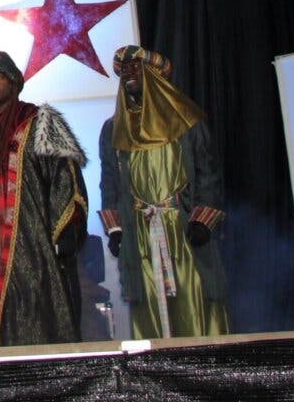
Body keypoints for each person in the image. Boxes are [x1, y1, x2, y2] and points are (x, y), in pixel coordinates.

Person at [0, 51, 88, 347]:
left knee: (41, 309)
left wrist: (67, 233)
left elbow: (66, 180)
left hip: (35, 242)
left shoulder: (40, 123)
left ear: (13, 82)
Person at [98, 45, 229, 339]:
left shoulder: (186, 121)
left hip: (182, 228)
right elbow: (109, 181)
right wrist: (116, 229)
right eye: (124, 70)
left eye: (136, 68)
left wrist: (202, 221)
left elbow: (209, 175)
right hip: (140, 232)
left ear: (155, 76)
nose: (129, 74)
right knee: (148, 306)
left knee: (193, 299)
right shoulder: (113, 129)